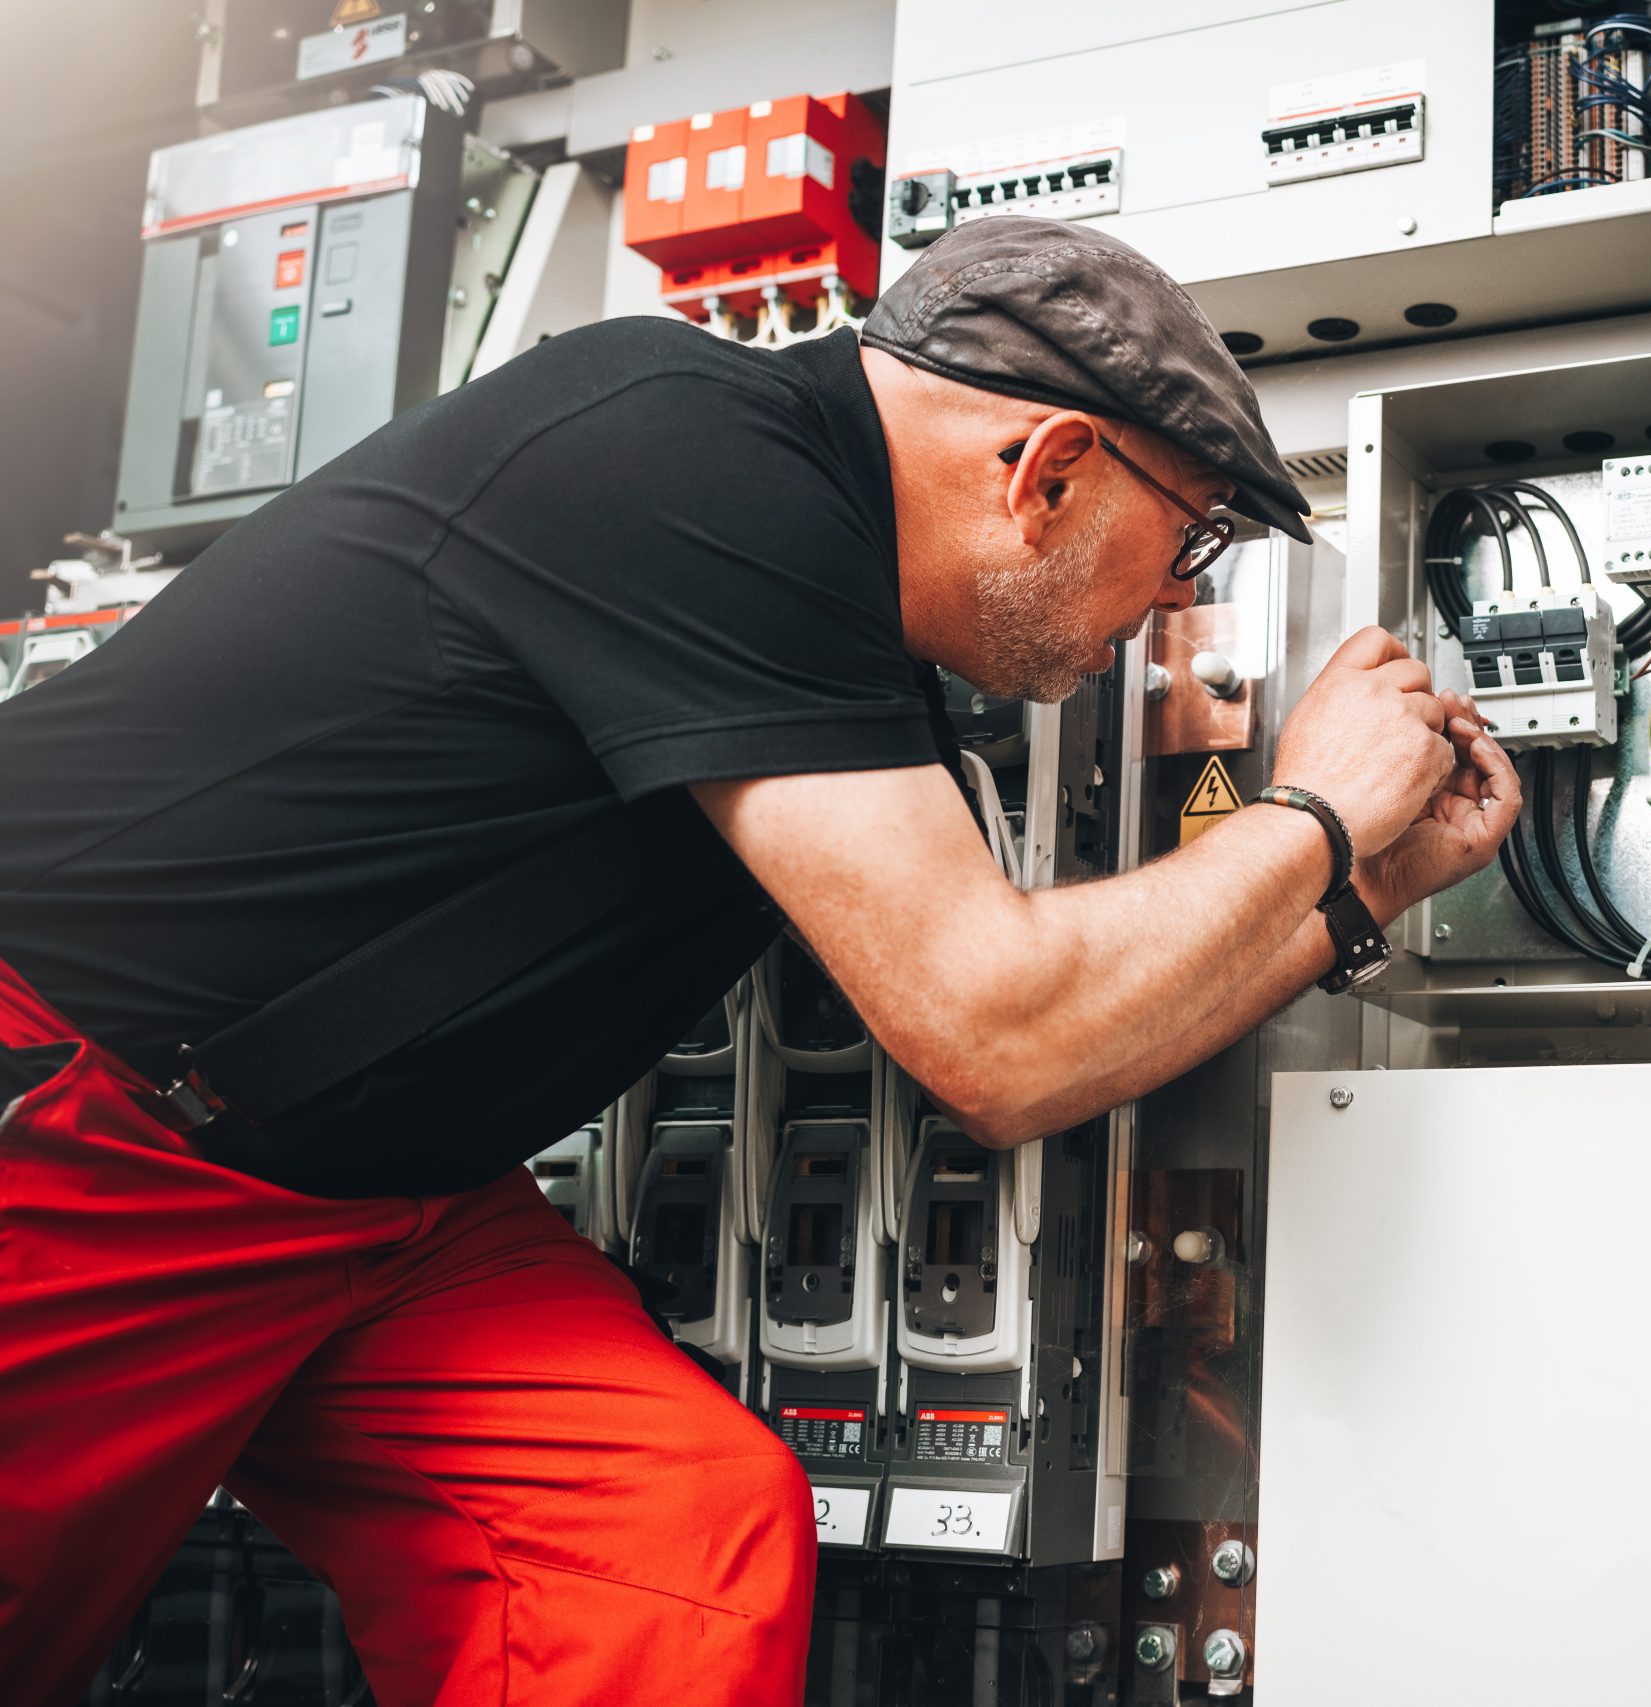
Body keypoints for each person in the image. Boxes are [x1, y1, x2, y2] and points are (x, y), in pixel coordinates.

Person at [0, 216, 1520, 1704]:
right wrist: (1312, 816)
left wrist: (1359, 890)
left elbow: (1055, 1039)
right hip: (81, 1132)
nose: (1183, 593)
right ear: (1049, 470)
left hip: (375, 1200)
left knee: (668, 1537)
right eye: (1189, 533)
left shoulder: (841, 614)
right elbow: (1003, 1038)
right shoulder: (698, 465)